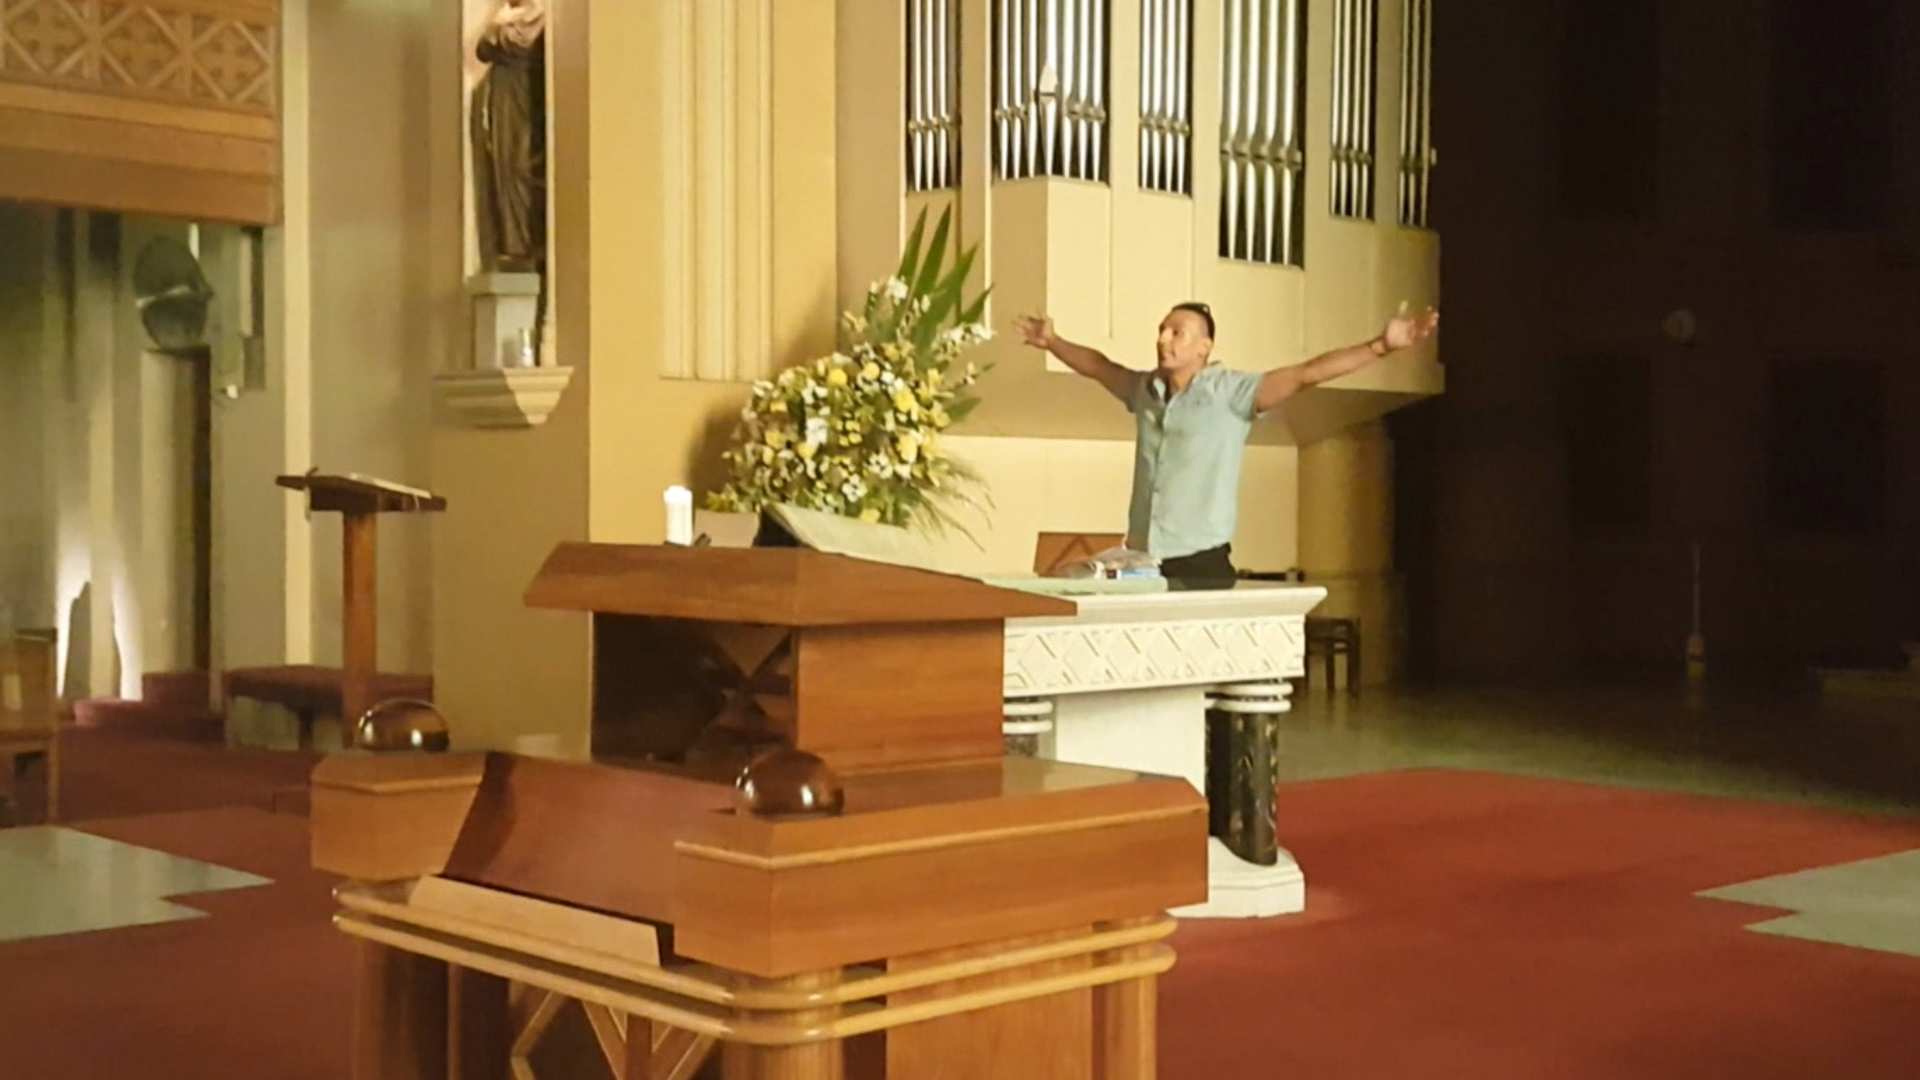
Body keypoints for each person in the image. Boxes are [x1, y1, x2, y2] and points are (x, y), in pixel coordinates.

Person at [1016, 301, 1439, 584]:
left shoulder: (1231, 393)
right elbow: (1098, 366)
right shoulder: (1143, 390)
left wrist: (1381, 346)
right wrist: (1052, 341)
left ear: (1204, 347)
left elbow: (1307, 373)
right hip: (1143, 558)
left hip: (1200, 561)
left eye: (1176, 332)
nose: (1163, 338)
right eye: (1162, 330)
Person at [471, 0, 547, 273]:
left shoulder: (543, 16)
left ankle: (528, 241)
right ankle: (516, 242)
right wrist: (496, 26)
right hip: (506, 102)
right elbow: (482, 50)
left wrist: (498, 32)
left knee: (523, 164)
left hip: (528, 98)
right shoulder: (504, 17)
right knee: (506, 166)